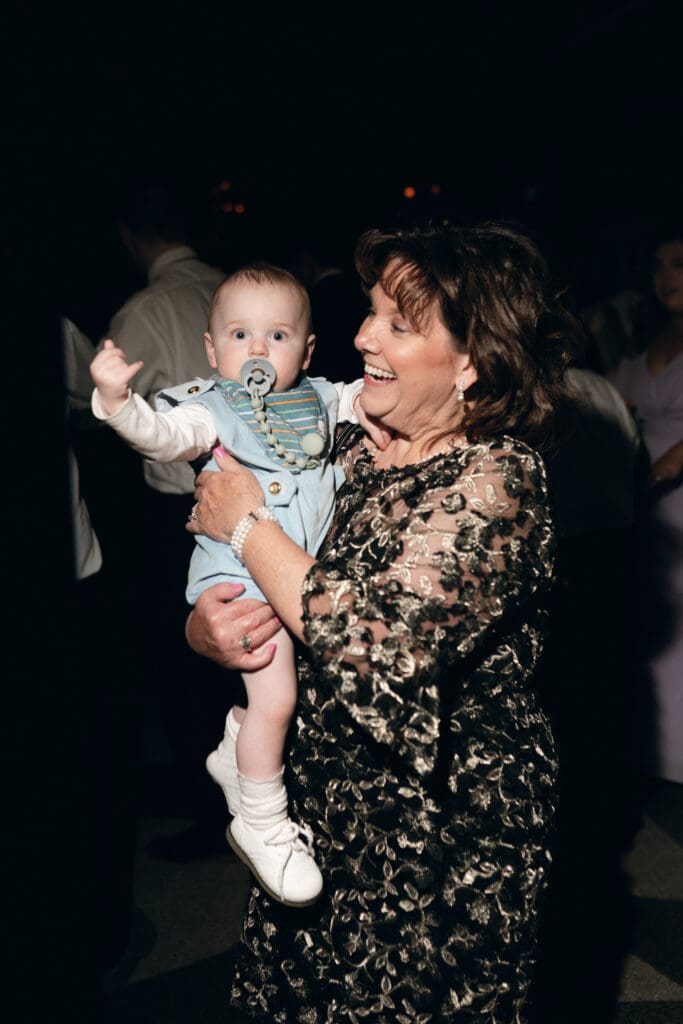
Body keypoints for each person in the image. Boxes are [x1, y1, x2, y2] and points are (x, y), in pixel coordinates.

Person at [184, 219, 582, 1021]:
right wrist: (208, 628)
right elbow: (263, 583)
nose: (363, 335)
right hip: (320, 809)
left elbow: (379, 647)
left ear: (472, 360)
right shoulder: (352, 446)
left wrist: (246, 526)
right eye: (370, 311)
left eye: (399, 324)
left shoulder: (497, 480)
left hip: (439, 836)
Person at [90, 262, 382, 907]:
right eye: (240, 334)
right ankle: (260, 819)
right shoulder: (210, 406)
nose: (257, 350)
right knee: (277, 699)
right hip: (244, 576)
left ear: (307, 349)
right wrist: (117, 403)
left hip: (304, 574)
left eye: (277, 336)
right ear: (210, 348)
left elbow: (371, 398)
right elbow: (163, 438)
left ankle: (234, 749)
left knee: (280, 703)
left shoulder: (323, 397)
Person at [612, 229, 683, 784]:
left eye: (679, 264)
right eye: (658, 266)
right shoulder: (649, 339)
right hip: (643, 502)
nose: (667, 277)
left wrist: (658, 476)